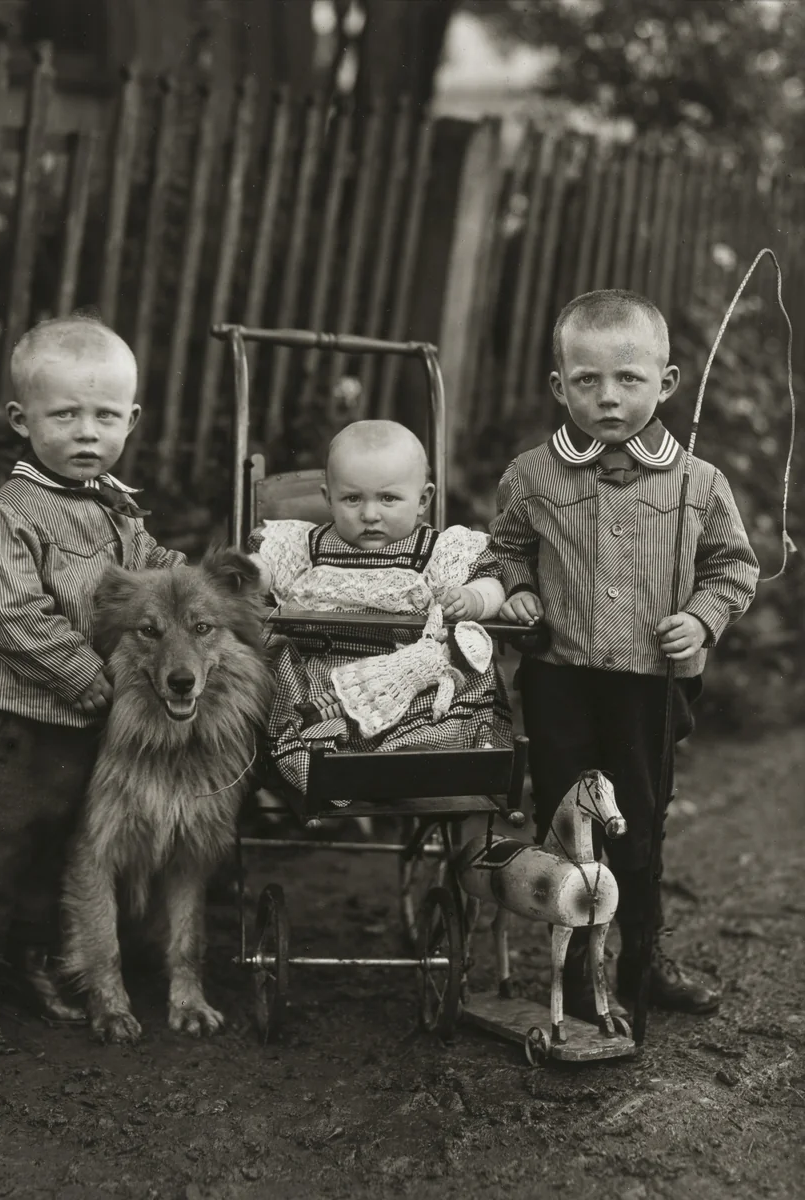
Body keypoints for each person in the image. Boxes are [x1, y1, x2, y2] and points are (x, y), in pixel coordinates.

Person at [491, 289, 759, 1022]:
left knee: (638, 824)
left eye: (629, 379)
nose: (607, 397)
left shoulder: (699, 484)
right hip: (559, 681)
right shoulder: (532, 476)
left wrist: (702, 622)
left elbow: (733, 568)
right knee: (564, 820)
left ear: (665, 383)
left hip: (650, 685)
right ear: (560, 385)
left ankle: (643, 957)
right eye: (587, 380)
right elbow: (507, 550)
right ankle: (577, 964)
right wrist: (516, 592)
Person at [0, 314, 186, 1054]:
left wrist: (198, 582)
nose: (87, 432)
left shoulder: (111, 505)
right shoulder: (10, 517)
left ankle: (31, 958)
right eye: (64, 415)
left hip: (79, 726)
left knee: (57, 847)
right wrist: (88, 678)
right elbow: (14, 614)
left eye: (105, 416)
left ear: (132, 421)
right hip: (6, 728)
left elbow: (151, 569)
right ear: (22, 419)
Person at [249, 420, 510, 795]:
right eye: (352, 499)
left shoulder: (437, 552)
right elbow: (266, 569)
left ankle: (408, 761)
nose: (369, 514)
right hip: (322, 677)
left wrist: (473, 598)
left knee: (455, 678)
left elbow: (491, 581)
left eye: (388, 499)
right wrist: (252, 574)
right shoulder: (306, 546)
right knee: (286, 686)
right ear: (328, 498)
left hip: (405, 680)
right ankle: (331, 767)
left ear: (423, 500)